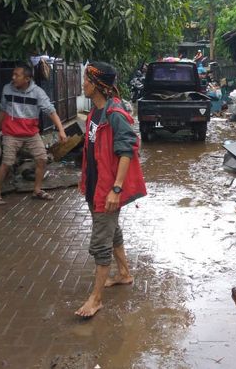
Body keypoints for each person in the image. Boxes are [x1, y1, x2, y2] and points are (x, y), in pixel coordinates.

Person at [75, 62, 146, 318]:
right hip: (95, 187)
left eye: (86, 80)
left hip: (107, 189)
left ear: (97, 85)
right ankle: (124, 274)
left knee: (100, 243)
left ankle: (96, 300)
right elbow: (92, 152)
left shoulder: (115, 114)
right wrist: (85, 180)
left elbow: (127, 151)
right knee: (112, 231)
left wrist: (116, 189)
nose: (83, 84)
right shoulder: (96, 112)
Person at [0, 64, 67, 205]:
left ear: (27, 79)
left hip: (31, 133)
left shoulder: (37, 93)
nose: (13, 78)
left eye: (17, 75)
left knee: (42, 159)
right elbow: (3, 109)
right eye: (13, 74)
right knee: (7, 163)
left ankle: (37, 190)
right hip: (11, 133)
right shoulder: (7, 89)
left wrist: (61, 130)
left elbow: (51, 111)